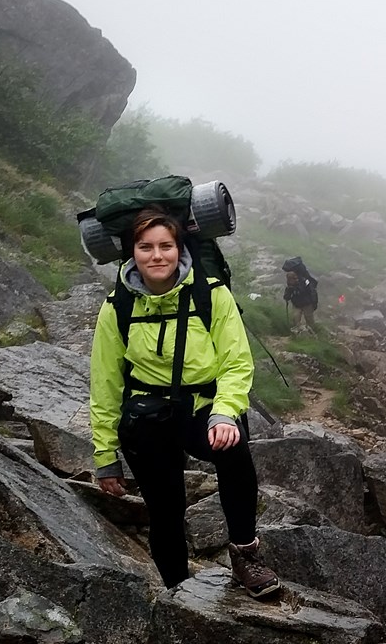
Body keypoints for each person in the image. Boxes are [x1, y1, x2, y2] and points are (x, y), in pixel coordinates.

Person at [89, 207, 280, 598]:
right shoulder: (118, 306)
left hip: (204, 408)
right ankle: (179, 592)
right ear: (132, 253)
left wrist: (225, 413)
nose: (156, 255)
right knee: (164, 509)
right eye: (145, 247)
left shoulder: (210, 293)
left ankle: (245, 555)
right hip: (148, 415)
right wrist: (105, 455)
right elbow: (105, 384)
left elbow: (236, 362)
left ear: (180, 249)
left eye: (165, 246)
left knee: (234, 453)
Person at [282, 256, 319, 332]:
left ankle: (312, 333)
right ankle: (298, 333)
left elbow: (312, 292)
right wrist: (287, 296)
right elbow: (287, 294)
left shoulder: (305, 282)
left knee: (309, 319)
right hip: (297, 304)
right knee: (295, 318)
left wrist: (314, 303)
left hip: (307, 303)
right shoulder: (291, 286)